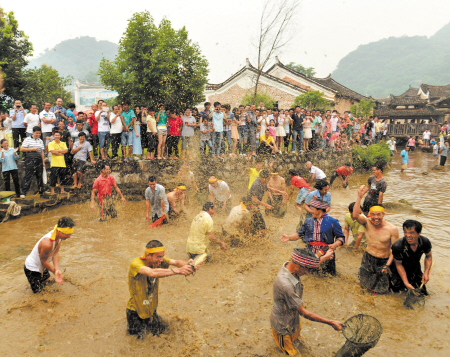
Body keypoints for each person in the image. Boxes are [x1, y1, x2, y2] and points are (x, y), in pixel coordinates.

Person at [270, 248, 343, 356]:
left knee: (296, 339)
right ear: (299, 266)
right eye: (308, 270)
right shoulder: (286, 285)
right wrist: (331, 322)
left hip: (293, 318)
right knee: (290, 353)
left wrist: (325, 257)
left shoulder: (290, 266)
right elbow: (303, 312)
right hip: (282, 326)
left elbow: (309, 263)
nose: (309, 272)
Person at [126, 240, 195, 338]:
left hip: (151, 309)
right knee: (138, 342)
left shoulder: (159, 260)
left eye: (162, 256)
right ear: (148, 255)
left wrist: (188, 265)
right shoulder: (136, 264)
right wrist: (178, 271)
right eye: (158, 257)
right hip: (136, 312)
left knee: (162, 334)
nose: (161, 260)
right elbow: (152, 273)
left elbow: (176, 262)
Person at [352, 186, 399, 293]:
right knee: (363, 284)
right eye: (373, 214)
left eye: (378, 214)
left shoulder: (392, 229)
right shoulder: (367, 223)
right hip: (368, 257)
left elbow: (395, 251)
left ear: (383, 214)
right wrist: (359, 197)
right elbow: (355, 215)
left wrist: (387, 265)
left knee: (381, 289)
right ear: (370, 215)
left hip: (383, 260)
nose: (376, 217)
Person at [281, 200, 345, 275]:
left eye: (312, 209)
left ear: (319, 210)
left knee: (328, 276)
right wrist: (289, 237)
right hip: (310, 254)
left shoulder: (333, 222)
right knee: (310, 275)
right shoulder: (308, 221)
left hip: (326, 254)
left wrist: (334, 245)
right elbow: (299, 234)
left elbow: (341, 238)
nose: (310, 211)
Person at [24, 216, 75, 293]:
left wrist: (57, 269)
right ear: (60, 231)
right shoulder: (47, 243)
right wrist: (55, 272)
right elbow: (43, 260)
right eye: (67, 234)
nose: (69, 237)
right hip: (32, 268)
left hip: (43, 266)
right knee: (39, 293)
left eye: (70, 234)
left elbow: (55, 253)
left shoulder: (59, 237)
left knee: (47, 284)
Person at [390, 220, 433, 295]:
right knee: (397, 295)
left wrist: (426, 271)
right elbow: (398, 264)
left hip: (415, 268)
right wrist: (406, 282)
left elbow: (428, 256)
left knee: (422, 294)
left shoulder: (425, 242)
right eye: (405, 232)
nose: (408, 235)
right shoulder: (398, 246)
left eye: (411, 233)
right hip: (398, 271)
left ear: (419, 233)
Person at [20, 126, 45, 197]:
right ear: (33, 132)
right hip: (30, 160)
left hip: (39, 160)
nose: (38, 135)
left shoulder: (40, 140)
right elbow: (22, 149)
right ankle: (23, 192)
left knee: (40, 176)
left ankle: (41, 192)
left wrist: (43, 162)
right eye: (36, 133)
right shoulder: (27, 139)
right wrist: (31, 149)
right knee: (28, 176)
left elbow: (42, 152)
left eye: (39, 133)